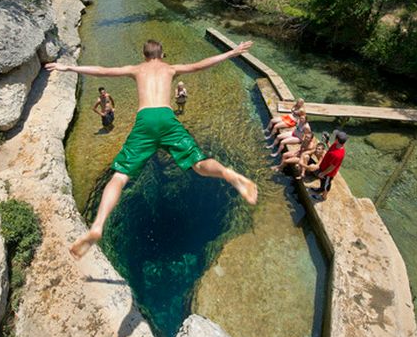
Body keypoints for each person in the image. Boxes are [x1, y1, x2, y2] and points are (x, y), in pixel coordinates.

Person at [46, 39, 258, 259]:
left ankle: (98, 224)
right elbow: (200, 64)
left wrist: (69, 67)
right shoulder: (170, 69)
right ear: (162, 53)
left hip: (145, 120)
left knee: (120, 176)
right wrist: (231, 53)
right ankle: (227, 173)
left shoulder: (136, 69)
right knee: (198, 163)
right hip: (167, 117)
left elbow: (102, 70)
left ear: (144, 55)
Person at [311, 131, 348, 201]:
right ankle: (320, 189)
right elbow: (331, 148)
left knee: (326, 184)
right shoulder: (336, 144)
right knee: (322, 181)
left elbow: (332, 167)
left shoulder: (338, 154)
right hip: (324, 167)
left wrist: (323, 173)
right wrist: (327, 141)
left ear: (337, 140)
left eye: (335, 137)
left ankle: (323, 197)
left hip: (328, 173)